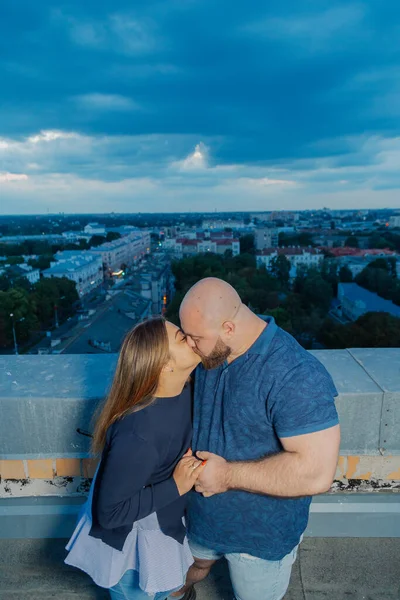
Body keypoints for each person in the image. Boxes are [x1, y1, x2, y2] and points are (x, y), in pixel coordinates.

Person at [176, 278, 340, 600]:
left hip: (260, 538)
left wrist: (224, 475)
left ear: (228, 328)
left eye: (196, 338)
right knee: (180, 576)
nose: (189, 345)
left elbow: (317, 472)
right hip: (200, 516)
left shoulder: (296, 374)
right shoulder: (213, 352)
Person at [65, 317, 204, 600]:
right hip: (130, 549)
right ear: (165, 365)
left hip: (162, 526)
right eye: (181, 337)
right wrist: (176, 485)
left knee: (165, 589)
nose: (192, 338)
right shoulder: (139, 433)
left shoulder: (185, 388)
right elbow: (109, 514)